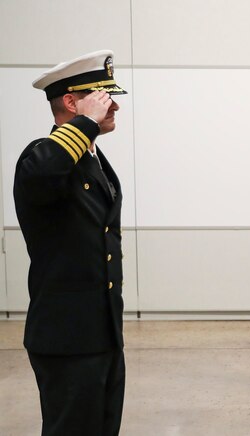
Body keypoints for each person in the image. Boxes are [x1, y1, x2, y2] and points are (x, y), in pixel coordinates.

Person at [14, 50, 128, 435]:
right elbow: (42, 173)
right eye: (101, 96)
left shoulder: (94, 160)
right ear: (70, 101)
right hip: (67, 335)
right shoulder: (42, 158)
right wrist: (85, 123)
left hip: (102, 332)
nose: (112, 105)